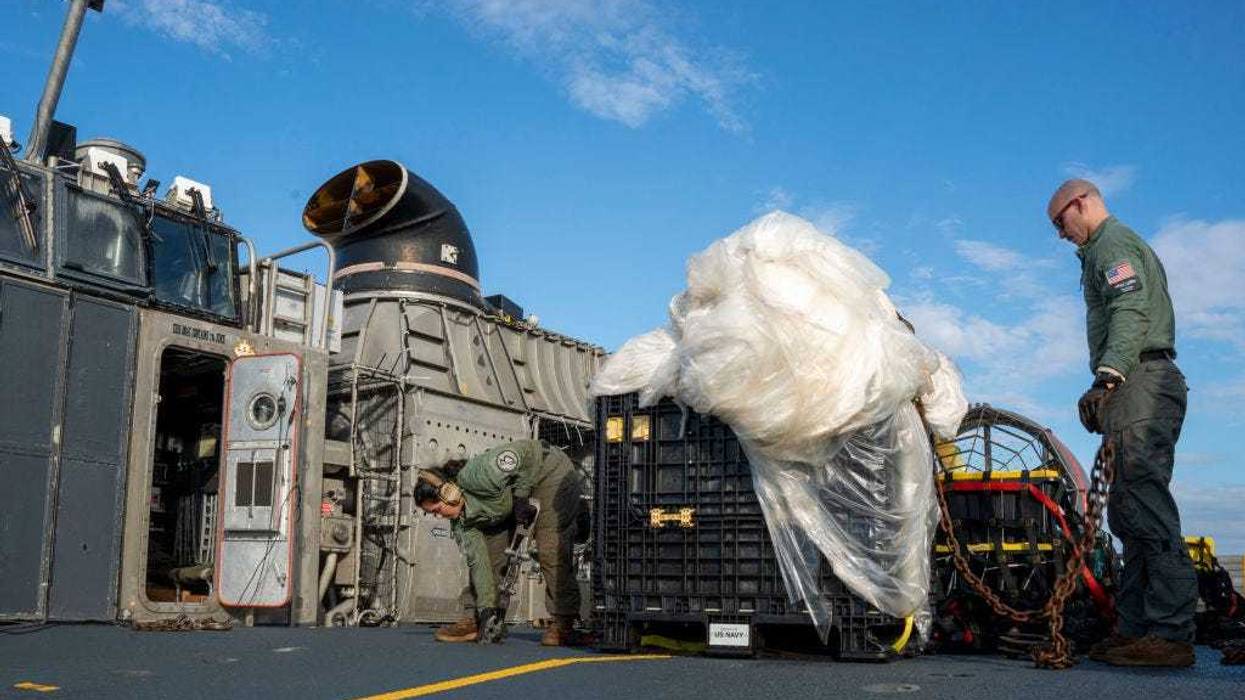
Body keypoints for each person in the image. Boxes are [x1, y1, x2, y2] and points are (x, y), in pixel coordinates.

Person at [1047, 179, 1198, 667]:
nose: (1061, 234)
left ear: (1081, 204)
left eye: (1060, 222)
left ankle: (1171, 633)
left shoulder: (1112, 243)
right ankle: (1136, 627)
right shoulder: (1101, 251)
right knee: (1129, 511)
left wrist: (1108, 378)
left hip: (1142, 380)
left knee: (1145, 503)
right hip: (1136, 382)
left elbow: (1129, 307)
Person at [416, 439, 584, 646]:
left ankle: (564, 621)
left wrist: (522, 496)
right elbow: (479, 563)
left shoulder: (479, 473)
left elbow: (528, 453)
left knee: (550, 547)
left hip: (548, 472)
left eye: (436, 510)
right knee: (490, 551)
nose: (439, 517)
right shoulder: (462, 523)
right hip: (508, 499)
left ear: (448, 493)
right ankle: (481, 619)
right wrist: (487, 608)